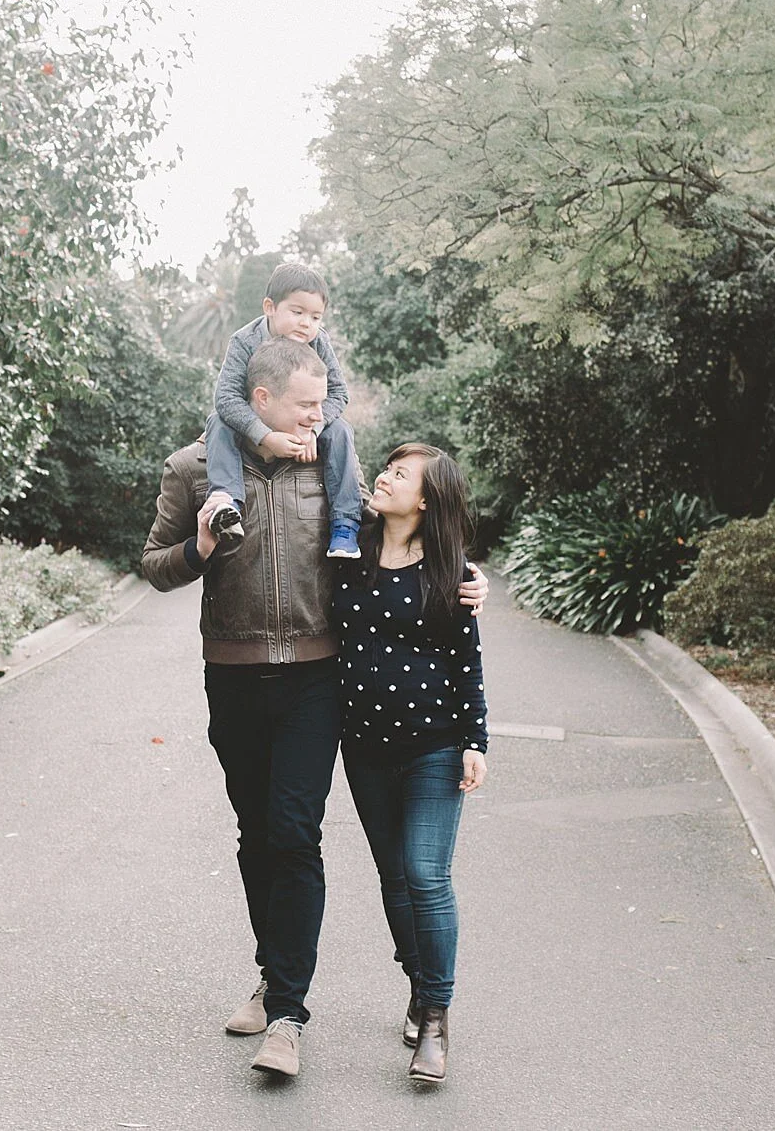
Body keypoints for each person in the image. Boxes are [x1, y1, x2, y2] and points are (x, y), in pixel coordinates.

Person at [140, 341, 487, 1079]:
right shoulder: (194, 467)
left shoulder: (330, 461)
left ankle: (289, 1014)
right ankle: (274, 976)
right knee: (256, 835)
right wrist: (198, 549)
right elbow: (154, 565)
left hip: (314, 678)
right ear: (260, 399)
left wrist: (462, 574)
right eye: (306, 404)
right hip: (232, 675)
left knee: (295, 833)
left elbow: (390, 536)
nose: (320, 417)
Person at [334, 443, 487, 1085]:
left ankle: (435, 1020)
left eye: (401, 474)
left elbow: (466, 663)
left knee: (426, 875)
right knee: (394, 878)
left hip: (434, 745)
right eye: (388, 468)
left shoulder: (451, 571)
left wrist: (476, 741)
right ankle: (420, 988)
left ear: (425, 500)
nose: (385, 477)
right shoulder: (349, 548)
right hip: (363, 746)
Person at [202, 262, 364, 559]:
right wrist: (266, 436)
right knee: (218, 422)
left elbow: (339, 393)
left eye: (315, 317)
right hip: (253, 427)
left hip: (305, 427)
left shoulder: (319, 341)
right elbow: (226, 397)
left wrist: (313, 430)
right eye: (297, 312)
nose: (306, 324)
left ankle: (344, 524)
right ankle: (226, 502)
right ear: (270, 307)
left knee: (341, 429)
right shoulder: (245, 341)